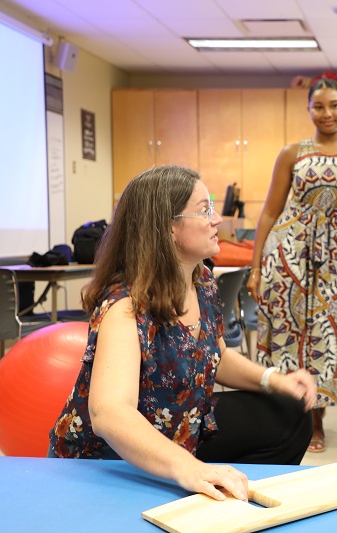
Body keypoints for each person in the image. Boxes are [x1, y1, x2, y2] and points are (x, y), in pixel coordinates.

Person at [48, 165, 317, 502]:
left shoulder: (201, 281)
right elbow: (110, 413)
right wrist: (188, 468)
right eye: (205, 210)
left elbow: (215, 357)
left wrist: (274, 379)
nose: (216, 220)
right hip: (109, 460)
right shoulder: (125, 307)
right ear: (169, 228)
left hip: (179, 430)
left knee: (290, 413)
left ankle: (220, 498)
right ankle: (190, 487)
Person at [247, 78, 337, 454]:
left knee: (327, 339)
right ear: (309, 110)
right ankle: (286, 415)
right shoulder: (292, 153)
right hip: (288, 257)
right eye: (319, 107)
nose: (327, 114)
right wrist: (256, 266)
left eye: (334, 106)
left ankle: (315, 420)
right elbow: (268, 212)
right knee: (289, 336)